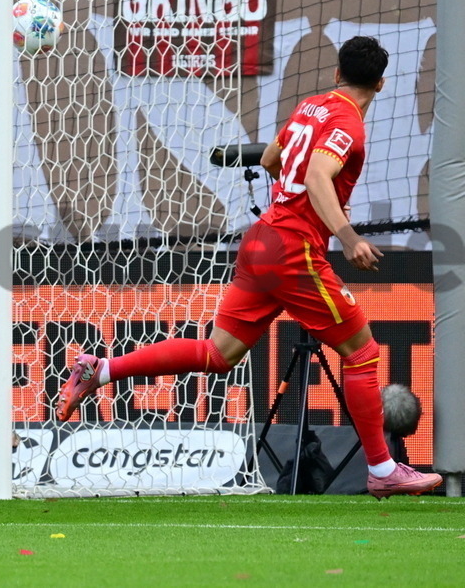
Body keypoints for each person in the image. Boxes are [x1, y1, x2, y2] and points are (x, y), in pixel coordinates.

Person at [56, 37, 444, 500]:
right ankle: (383, 469)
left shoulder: (312, 105)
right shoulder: (348, 124)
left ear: (338, 74)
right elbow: (319, 175)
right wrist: (347, 236)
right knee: (362, 354)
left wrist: (294, 197)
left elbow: (269, 159)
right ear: (381, 83)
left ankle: (99, 370)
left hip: (261, 239)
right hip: (293, 249)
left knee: (218, 354)